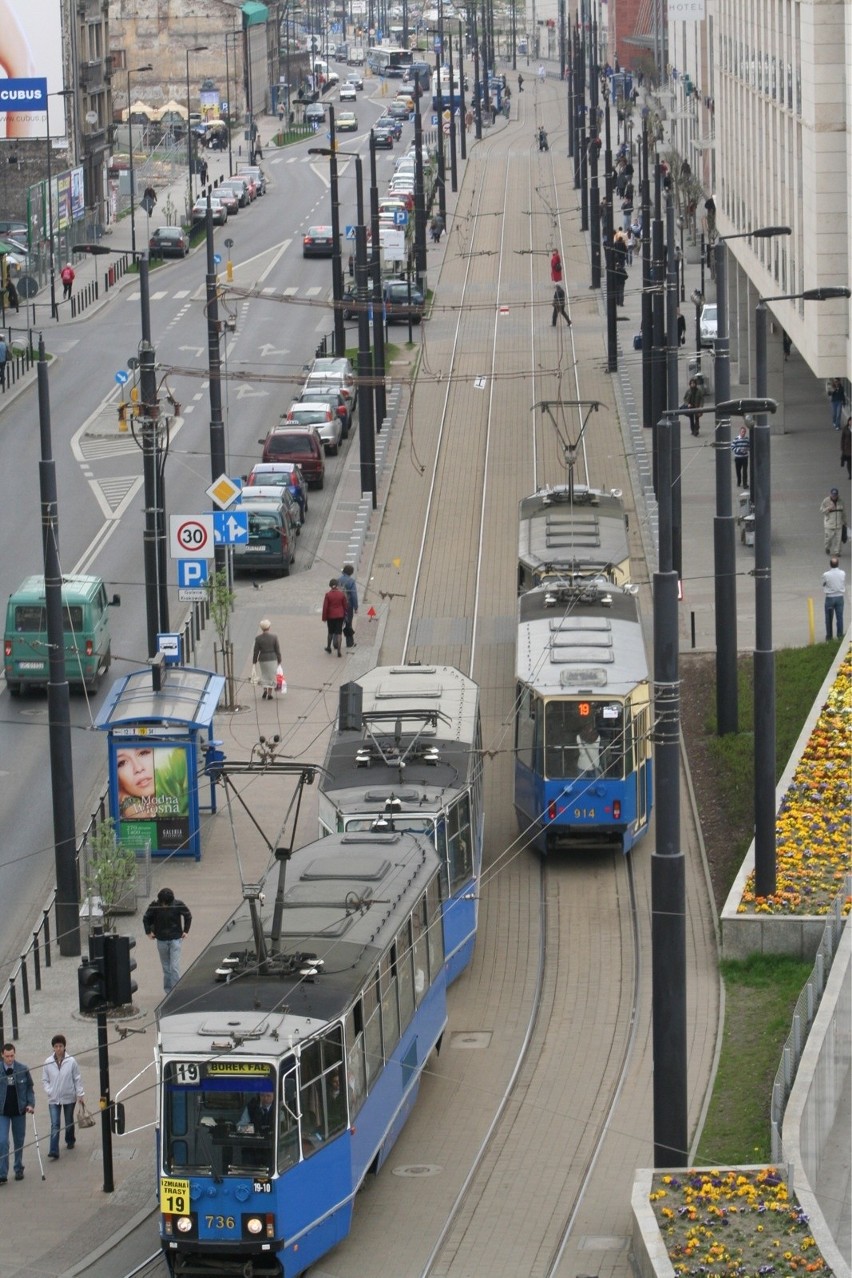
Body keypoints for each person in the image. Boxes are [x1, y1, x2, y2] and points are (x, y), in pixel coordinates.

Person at [42, 1034, 84, 1159]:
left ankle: (70, 1139)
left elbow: (77, 1078)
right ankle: (53, 1149)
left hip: (69, 1097)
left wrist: (80, 1094)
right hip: (53, 1099)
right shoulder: (48, 1062)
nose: (58, 1048)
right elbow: (45, 1080)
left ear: (64, 1047)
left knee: (68, 1121)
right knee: (55, 1123)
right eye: (56, 1046)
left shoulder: (71, 1061)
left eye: (60, 1046)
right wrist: (49, 1091)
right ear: (53, 1048)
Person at [143, 887, 192, 993]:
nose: (164, 905)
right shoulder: (155, 906)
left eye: (166, 903)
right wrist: (148, 932)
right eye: (162, 903)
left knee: (174, 967)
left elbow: (188, 916)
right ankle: (169, 991)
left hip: (175, 939)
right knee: (166, 968)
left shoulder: (177, 904)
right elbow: (146, 918)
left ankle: (175, 991)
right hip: (161, 940)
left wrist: (186, 930)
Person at [1, 1043, 34, 1183]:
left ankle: (18, 1167)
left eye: (12, 1056)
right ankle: (2, 1173)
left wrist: (30, 1104)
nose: (10, 1059)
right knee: (2, 1141)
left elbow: (29, 1088)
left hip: (19, 1110)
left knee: (19, 1141)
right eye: (7, 1056)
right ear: (2, 1055)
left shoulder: (22, 1069)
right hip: (2, 1112)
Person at [252, 618, 282, 700]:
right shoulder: (274, 637)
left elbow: (256, 651)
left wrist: (254, 661)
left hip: (263, 659)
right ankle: (269, 693)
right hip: (272, 658)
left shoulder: (258, 638)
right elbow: (277, 649)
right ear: (269, 627)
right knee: (271, 676)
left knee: (264, 675)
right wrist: (279, 660)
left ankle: (264, 690)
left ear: (262, 628)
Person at [822, 556, 846, 641]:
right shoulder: (843, 573)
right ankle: (840, 636)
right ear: (838, 564)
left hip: (830, 598)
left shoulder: (826, 574)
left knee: (828, 618)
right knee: (839, 618)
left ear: (830, 565)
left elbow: (823, 584)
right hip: (840, 597)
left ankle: (829, 637)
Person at [322, 578, 347, 656]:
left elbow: (325, 607)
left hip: (331, 616)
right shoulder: (341, 594)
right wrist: (345, 615)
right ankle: (339, 651)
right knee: (339, 633)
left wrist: (324, 618)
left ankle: (329, 647)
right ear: (337, 585)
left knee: (330, 632)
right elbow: (345, 605)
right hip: (340, 616)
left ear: (330, 585)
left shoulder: (328, 595)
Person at [820, 487, 846, 556]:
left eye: (835, 495)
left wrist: (845, 522)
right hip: (829, 524)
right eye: (833, 495)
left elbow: (843, 513)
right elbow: (822, 510)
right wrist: (829, 508)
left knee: (838, 540)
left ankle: (837, 552)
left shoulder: (841, 501)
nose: (834, 496)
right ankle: (827, 548)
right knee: (828, 539)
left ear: (837, 495)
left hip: (839, 524)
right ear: (830, 494)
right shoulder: (826, 501)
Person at [338, 564, 358, 650]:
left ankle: (336, 643)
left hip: (338, 605)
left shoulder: (338, 580)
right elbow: (354, 595)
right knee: (348, 624)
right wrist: (356, 606)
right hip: (348, 605)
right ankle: (349, 643)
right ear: (351, 572)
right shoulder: (351, 581)